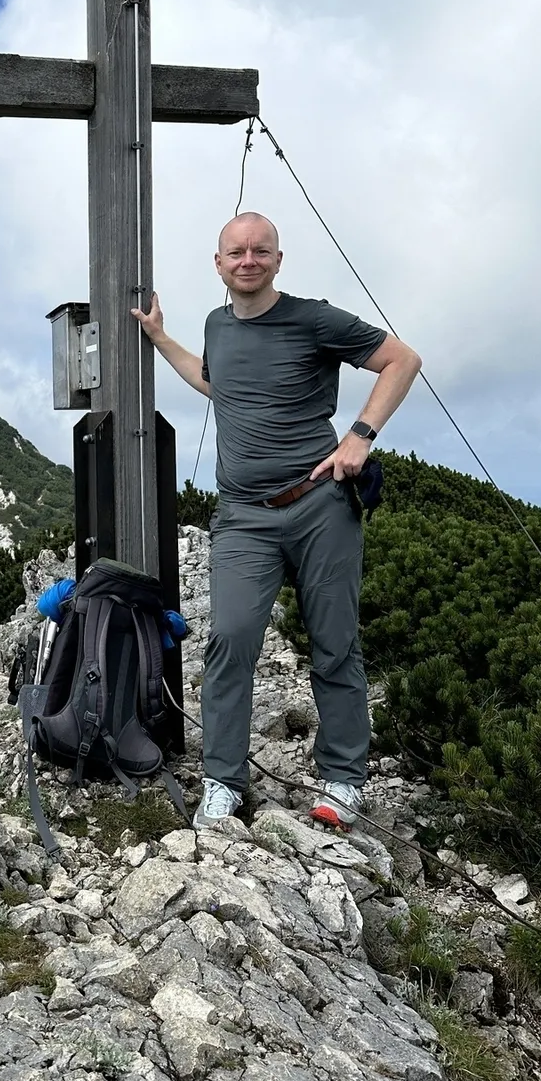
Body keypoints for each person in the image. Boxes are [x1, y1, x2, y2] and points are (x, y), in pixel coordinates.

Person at [132, 212, 421, 832]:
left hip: (320, 505)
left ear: (278, 260)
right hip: (242, 517)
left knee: (335, 642)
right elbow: (216, 384)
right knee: (229, 640)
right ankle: (222, 782)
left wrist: (360, 437)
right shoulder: (216, 324)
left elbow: (402, 359)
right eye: (235, 252)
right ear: (218, 264)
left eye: (260, 250)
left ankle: (342, 780)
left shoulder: (314, 318)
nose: (248, 260)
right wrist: (160, 338)